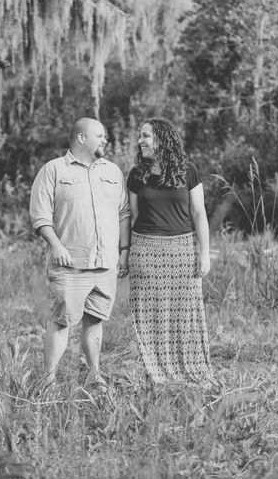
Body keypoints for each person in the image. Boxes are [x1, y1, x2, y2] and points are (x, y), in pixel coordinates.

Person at [29, 117, 131, 389]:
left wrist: (123, 251)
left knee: (95, 320)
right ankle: (48, 380)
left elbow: (123, 214)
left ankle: (94, 374)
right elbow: (40, 216)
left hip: (105, 263)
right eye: (100, 135)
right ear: (81, 138)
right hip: (70, 264)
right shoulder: (53, 170)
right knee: (62, 321)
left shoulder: (113, 172)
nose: (105, 140)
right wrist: (56, 245)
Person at [127, 116, 212, 385]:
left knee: (184, 314)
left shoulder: (188, 171)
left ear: (162, 139)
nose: (140, 141)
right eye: (140, 135)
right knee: (148, 315)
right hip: (145, 252)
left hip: (182, 251)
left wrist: (204, 252)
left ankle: (188, 369)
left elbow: (199, 213)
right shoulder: (136, 175)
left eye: (146, 135)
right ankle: (156, 373)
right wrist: (124, 252)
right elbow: (133, 217)